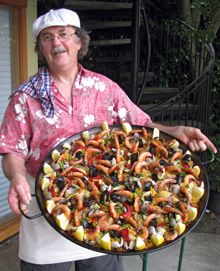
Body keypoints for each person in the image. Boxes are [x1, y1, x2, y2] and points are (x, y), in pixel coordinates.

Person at [0, 8, 217, 271]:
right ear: (41, 48)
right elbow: (12, 149)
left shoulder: (105, 87)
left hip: (104, 201)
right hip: (45, 209)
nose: (56, 42)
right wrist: (18, 178)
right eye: (47, 37)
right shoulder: (24, 97)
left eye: (63, 34)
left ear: (79, 42)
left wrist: (174, 131)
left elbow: (142, 125)